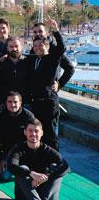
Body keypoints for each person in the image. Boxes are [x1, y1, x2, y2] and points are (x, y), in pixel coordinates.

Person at [9, 119, 69, 200]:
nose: (33, 134)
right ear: (25, 132)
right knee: (22, 169)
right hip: (24, 195)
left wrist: (45, 177)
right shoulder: (18, 149)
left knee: (58, 171)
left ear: (41, 133)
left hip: (44, 193)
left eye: (36, 131)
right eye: (30, 130)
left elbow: (65, 166)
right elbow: (11, 166)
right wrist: (31, 174)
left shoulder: (47, 150)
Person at [25, 18, 68, 151]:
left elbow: (62, 48)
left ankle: (55, 161)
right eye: (35, 46)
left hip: (49, 103)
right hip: (36, 103)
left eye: (41, 46)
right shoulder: (33, 59)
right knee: (38, 134)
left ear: (47, 46)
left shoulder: (53, 58)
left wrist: (55, 30)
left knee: (50, 134)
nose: (38, 48)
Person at [0, 92, 37, 181]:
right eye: (9, 102)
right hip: (7, 153)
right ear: (6, 103)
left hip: (24, 152)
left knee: (28, 175)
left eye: (15, 102)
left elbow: (35, 138)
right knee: (5, 176)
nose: (12, 104)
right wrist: (1, 158)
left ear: (20, 103)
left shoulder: (28, 117)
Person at [0, 36, 29, 108]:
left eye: (16, 46)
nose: (14, 49)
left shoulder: (28, 62)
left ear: (21, 47)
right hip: (6, 104)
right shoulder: (1, 64)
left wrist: (57, 82)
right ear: (7, 48)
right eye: (11, 46)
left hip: (25, 103)